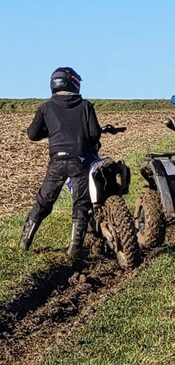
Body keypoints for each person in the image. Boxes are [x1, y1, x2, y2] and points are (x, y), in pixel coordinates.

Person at [19, 67, 101, 257]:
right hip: (80, 160)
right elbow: (94, 134)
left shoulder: (46, 107)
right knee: (81, 202)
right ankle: (74, 249)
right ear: (74, 83)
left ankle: (25, 241)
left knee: (44, 200)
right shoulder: (85, 106)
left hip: (57, 161)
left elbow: (32, 134)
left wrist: (50, 130)